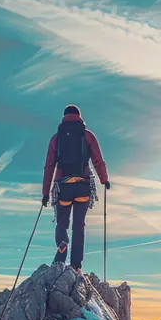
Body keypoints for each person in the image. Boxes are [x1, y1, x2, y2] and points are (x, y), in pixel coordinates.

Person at [42, 105, 110, 270]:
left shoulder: (56, 138)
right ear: (79, 116)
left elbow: (49, 166)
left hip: (63, 187)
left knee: (62, 223)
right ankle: (76, 264)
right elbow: (97, 160)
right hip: (83, 186)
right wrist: (104, 179)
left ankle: (62, 245)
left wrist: (45, 193)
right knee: (79, 225)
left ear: (64, 117)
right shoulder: (87, 136)